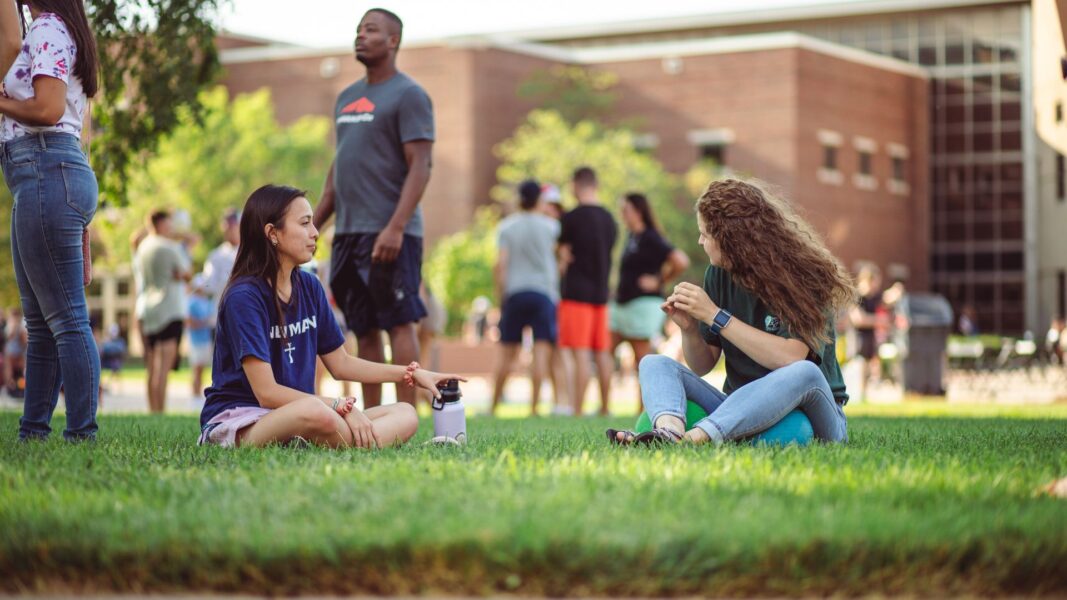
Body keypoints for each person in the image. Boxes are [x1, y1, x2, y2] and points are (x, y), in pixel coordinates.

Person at [199, 184, 462, 449]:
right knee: (315, 411)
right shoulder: (244, 297)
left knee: (406, 414)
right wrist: (341, 408)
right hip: (242, 421)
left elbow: (341, 363)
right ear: (272, 233)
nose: (315, 233)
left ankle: (321, 442)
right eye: (304, 223)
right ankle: (358, 442)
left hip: (303, 416)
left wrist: (411, 374)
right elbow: (266, 393)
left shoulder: (310, 286)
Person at [608, 178, 854, 446]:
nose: (700, 241)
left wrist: (715, 315)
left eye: (705, 234)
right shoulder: (718, 274)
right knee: (653, 363)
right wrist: (689, 328)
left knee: (804, 372)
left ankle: (696, 438)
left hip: (813, 413)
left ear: (732, 239)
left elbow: (790, 359)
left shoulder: (805, 275)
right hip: (737, 409)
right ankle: (668, 434)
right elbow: (703, 366)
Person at [313, 8, 434, 409]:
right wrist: (310, 227)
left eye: (371, 30)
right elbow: (338, 170)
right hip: (347, 234)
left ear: (393, 41)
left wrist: (396, 227)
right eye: (358, 30)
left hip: (391, 233)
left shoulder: (409, 94)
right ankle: (375, 415)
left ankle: (406, 415)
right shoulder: (346, 99)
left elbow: (421, 165)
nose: (360, 36)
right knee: (363, 326)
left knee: (399, 322)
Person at [0, 0, 100, 440]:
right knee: (41, 324)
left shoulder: (48, 29)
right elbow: (79, 133)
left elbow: (48, 110)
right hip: (50, 176)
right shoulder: (60, 31)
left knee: (67, 321)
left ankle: (82, 433)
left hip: (45, 170)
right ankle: (33, 430)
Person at [610, 192, 689, 411]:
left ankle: (645, 407)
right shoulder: (631, 237)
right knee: (607, 349)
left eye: (625, 210)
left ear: (638, 211)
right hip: (623, 304)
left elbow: (680, 260)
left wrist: (658, 280)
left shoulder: (651, 237)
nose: (622, 215)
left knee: (642, 360)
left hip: (643, 305)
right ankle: (605, 406)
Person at [490, 179, 561, 416]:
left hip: (516, 293)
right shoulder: (552, 227)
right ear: (539, 200)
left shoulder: (506, 227)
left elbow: (501, 265)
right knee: (540, 352)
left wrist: (501, 295)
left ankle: (493, 407)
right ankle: (534, 408)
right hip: (544, 294)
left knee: (506, 353)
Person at [558, 166, 617, 416]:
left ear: (575, 184)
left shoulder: (570, 218)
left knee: (579, 352)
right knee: (602, 352)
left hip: (576, 294)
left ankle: (578, 410)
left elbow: (562, 253)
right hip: (601, 295)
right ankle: (604, 407)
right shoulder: (610, 219)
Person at [134, 210, 192, 414]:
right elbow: (187, 274)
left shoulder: (142, 248)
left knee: (151, 367)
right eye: (169, 225)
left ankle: (152, 411)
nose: (172, 229)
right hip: (169, 310)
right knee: (164, 368)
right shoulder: (171, 247)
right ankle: (161, 411)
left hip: (146, 310)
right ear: (160, 225)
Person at [849, 263, 883, 402]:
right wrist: (878, 320)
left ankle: (865, 394)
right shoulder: (858, 296)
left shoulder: (873, 297)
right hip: (859, 337)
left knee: (870, 364)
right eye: (874, 281)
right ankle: (860, 394)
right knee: (861, 363)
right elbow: (859, 319)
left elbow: (886, 299)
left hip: (870, 336)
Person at [202, 208, 240, 308]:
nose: (229, 232)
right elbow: (208, 285)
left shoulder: (252, 252)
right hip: (224, 310)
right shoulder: (216, 255)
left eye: (232, 227)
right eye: (226, 228)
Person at [186, 275, 214, 410]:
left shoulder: (207, 301)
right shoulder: (191, 301)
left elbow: (211, 319)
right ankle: (195, 396)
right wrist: (203, 322)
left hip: (206, 339)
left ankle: (198, 395)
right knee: (196, 369)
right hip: (196, 340)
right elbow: (190, 322)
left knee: (202, 368)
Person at [3, 307, 26, 398]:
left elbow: (24, 343)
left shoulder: (22, 327)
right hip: (10, 354)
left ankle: (24, 385)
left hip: (21, 354)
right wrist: (13, 328)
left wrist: (20, 331)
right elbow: (8, 338)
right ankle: (9, 385)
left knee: (24, 363)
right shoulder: (9, 326)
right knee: (8, 361)